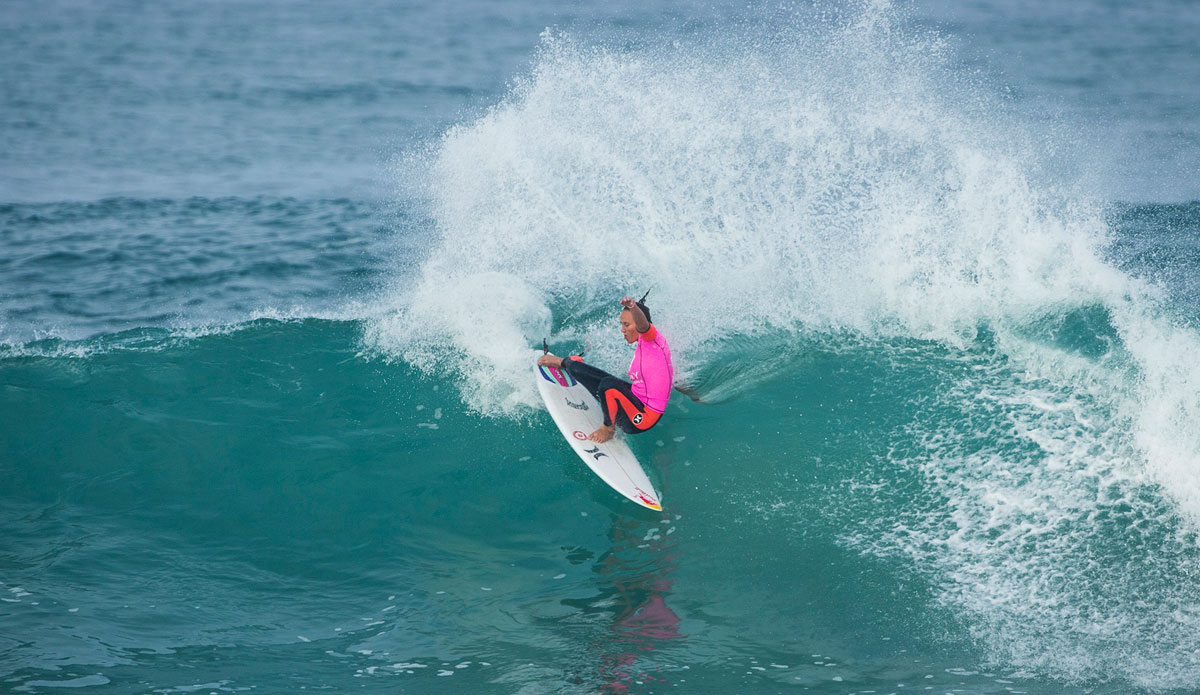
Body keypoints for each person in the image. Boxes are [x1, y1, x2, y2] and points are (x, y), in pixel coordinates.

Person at [538, 294, 673, 443]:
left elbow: (643, 325)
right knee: (581, 370)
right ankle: (565, 363)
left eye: (626, 325)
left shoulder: (652, 339)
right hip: (634, 399)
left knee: (608, 384)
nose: (622, 330)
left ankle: (608, 429)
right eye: (622, 324)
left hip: (642, 419)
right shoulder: (643, 343)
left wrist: (633, 307)